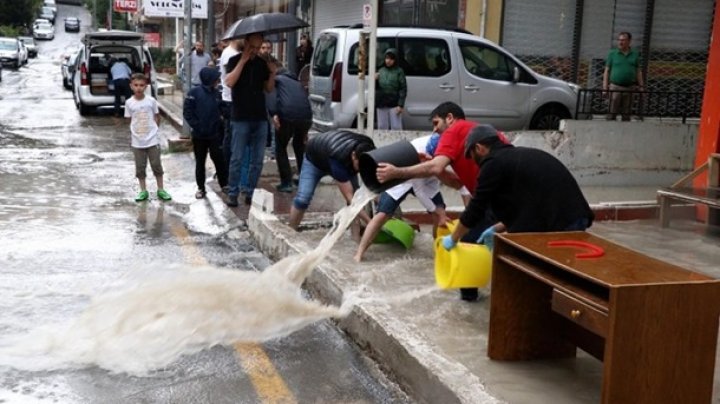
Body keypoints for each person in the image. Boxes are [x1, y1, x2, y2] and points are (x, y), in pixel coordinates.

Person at [376, 102, 504, 301]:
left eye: (436, 123)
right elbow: (455, 182)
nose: (435, 129)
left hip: (492, 199)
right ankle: (497, 294)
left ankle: (470, 301)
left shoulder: (454, 131)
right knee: (506, 249)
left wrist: (397, 172)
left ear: (450, 118)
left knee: (469, 243)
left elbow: (435, 169)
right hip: (506, 197)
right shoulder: (481, 133)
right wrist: (431, 164)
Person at [441, 124, 594, 253]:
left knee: (548, 274)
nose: (473, 162)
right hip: (574, 216)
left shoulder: (493, 164)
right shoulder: (516, 158)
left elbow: (475, 208)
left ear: (479, 148)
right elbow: (530, 203)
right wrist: (497, 228)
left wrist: (454, 238)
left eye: (471, 155)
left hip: (562, 222)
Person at [354, 131, 463, 263]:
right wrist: (435, 210)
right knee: (382, 215)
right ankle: (359, 254)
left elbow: (435, 179)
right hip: (400, 179)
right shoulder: (419, 151)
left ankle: (438, 252)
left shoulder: (446, 150)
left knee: (440, 214)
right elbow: (419, 189)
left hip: (428, 179)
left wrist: (438, 212)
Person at [224, 33, 277, 207]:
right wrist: (243, 61)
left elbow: (268, 89)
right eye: (252, 47)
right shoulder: (233, 60)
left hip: (260, 117)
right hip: (240, 117)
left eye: (258, 46)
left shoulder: (262, 64)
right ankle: (233, 192)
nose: (255, 50)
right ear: (245, 44)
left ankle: (250, 191)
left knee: (257, 159)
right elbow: (230, 82)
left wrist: (272, 74)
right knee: (237, 158)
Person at [288, 130, 375, 230]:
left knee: (357, 197)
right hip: (314, 161)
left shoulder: (369, 149)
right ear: (353, 156)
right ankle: (291, 231)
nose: (361, 170)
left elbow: (375, 185)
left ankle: (355, 238)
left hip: (334, 152)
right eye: (359, 166)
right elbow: (351, 199)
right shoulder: (339, 159)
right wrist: (371, 223)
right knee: (303, 198)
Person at [124, 73, 171, 202]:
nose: (139, 88)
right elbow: (128, 119)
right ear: (131, 86)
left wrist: (153, 131)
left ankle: (161, 189)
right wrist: (136, 132)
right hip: (137, 142)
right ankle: (143, 190)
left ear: (146, 87)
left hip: (152, 140)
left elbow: (157, 116)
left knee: (156, 164)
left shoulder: (151, 101)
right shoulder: (129, 103)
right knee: (140, 167)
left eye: (141, 85)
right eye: (136, 85)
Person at [183, 67, 229, 199]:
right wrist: (198, 126)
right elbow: (187, 112)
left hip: (215, 134)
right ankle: (201, 188)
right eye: (216, 78)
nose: (218, 80)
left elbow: (224, 110)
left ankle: (224, 184)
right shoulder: (194, 93)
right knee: (200, 162)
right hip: (199, 135)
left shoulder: (218, 93)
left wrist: (223, 118)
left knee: (219, 160)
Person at [268, 59, 312, 193]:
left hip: (287, 115)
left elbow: (271, 97)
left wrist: (273, 113)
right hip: (306, 116)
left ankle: (286, 182)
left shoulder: (276, 80)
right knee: (299, 146)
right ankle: (305, 179)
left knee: (281, 147)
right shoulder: (296, 82)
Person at [603, 31, 644, 121]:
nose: (620, 42)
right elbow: (607, 71)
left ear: (629, 41)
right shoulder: (613, 54)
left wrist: (641, 86)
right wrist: (605, 87)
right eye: (619, 40)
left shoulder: (635, 54)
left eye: (623, 40)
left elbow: (638, 71)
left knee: (627, 113)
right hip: (615, 87)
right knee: (612, 112)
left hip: (630, 88)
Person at [375, 48, 407, 130]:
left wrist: (400, 104)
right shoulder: (380, 71)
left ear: (395, 60)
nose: (388, 61)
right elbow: (375, 88)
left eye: (391, 59)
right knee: (382, 126)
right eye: (387, 58)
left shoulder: (399, 71)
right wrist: (375, 80)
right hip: (382, 101)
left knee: (396, 126)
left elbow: (403, 88)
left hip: (394, 102)